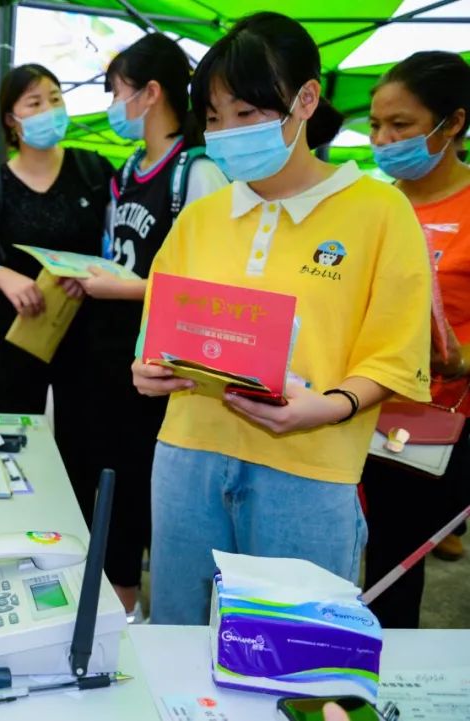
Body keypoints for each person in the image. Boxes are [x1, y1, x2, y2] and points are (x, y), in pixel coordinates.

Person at [132, 12, 433, 625]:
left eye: (246, 113)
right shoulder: (203, 215)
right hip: (187, 453)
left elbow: (396, 352)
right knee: (176, 631)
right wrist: (147, 369)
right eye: (214, 118)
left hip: (309, 466)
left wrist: (331, 406)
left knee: (293, 647)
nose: (227, 133)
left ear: (306, 100)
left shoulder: (379, 211)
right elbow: (157, 329)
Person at [78, 33, 227, 623]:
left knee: (144, 488)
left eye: (116, 92)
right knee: (111, 484)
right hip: (111, 355)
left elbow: (212, 285)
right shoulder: (128, 170)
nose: (113, 106)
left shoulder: (197, 171)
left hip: (162, 364)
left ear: (151, 93)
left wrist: (125, 288)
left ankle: (140, 611)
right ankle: (117, 607)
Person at [0, 63, 115, 506]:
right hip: (15, 333)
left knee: (86, 437)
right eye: (35, 102)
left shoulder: (94, 171)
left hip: (86, 330)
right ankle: (14, 516)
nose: (49, 109)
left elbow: (120, 246)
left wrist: (94, 275)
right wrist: (3, 276)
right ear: (12, 119)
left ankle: (80, 526)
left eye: (55, 98)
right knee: (9, 436)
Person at [360, 51, 470, 628]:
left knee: (396, 564)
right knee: (373, 561)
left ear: (453, 124)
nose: (383, 140)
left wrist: (460, 359)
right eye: (376, 125)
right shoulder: (372, 205)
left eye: (400, 125)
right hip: (362, 410)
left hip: (443, 421)